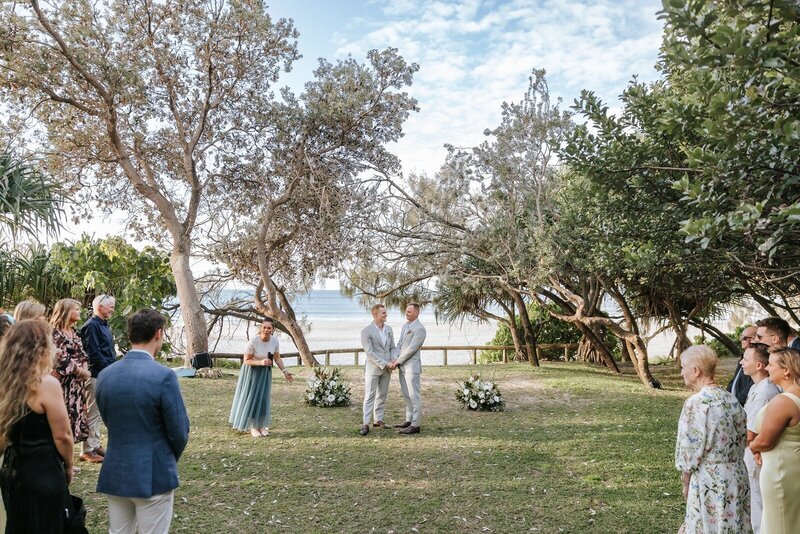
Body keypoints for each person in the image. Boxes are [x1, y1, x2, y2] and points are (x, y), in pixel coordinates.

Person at [95, 308, 190, 533]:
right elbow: (179, 431)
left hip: (116, 469)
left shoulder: (106, 375)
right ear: (158, 333)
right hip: (153, 471)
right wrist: (167, 458)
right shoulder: (164, 376)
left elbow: (108, 418)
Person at [0, 320, 75, 533]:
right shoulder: (45, 384)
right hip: (43, 469)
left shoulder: (4, 382)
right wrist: (68, 466)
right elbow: (63, 436)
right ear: (40, 348)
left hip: (13, 470)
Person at [675, 345, 749, 533]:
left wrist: (686, 482)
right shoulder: (731, 400)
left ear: (695, 370)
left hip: (709, 479)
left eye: (683, 367)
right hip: (737, 476)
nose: (681, 372)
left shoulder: (696, 403)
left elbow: (689, 451)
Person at [749, 348, 800, 533]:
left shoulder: (784, 401)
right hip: (791, 467)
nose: (767, 368)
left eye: (771, 364)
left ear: (786, 370)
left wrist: (753, 447)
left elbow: (765, 442)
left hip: (780, 472)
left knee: (779, 523)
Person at [229, 318, 293, 437]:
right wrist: (260, 362)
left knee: (263, 399)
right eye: (264, 327)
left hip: (265, 373)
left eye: (269, 328)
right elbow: (246, 361)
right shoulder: (254, 341)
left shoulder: (274, 341)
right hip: (252, 373)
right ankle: (253, 427)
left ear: (273, 329)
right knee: (253, 398)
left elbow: (277, 358)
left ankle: (261, 426)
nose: (266, 330)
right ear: (261, 328)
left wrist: (285, 371)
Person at [741, 344, 780, 533]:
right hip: (751, 451)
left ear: (758, 365)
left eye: (746, 359)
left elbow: (751, 432)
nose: (741, 362)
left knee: (758, 504)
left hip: (755, 452)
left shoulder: (765, 391)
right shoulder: (757, 387)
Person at [79, 293, 116, 463]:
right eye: (111, 307)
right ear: (100, 307)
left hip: (104, 373)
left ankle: (95, 444)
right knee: (91, 412)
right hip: (95, 374)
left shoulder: (104, 325)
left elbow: (109, 351)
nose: (112, 310)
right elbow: (93, 353)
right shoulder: (91, 326)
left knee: (98, 412)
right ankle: (87, 449)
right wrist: (109, 370)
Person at [50, 299, 92, 447]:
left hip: (76, 385)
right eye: (76, 309)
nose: (79, 312)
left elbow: (83, 354)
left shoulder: (75, 332)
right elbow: (60, 359)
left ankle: (70, 458)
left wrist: (85, 370)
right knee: (61, 418)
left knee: (74, 419)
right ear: (66, 311)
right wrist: (80, 371)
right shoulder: (54, 333)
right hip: (61, 384)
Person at [359, 304, 397, 436]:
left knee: (382, 395)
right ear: (375, 315)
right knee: (369, 395)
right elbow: (370, 353)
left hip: (387, 369)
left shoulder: (389, 329)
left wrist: (393, 359)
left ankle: (378, 420)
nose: (386, 315)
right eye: (383, 313)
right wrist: (385, 363)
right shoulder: (366, 331)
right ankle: (365, 423)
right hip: (373, 368)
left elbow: (392, 347)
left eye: (386, 313)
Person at [393, 302, 426, 435]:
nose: (406, 313)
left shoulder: (420, 329)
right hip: (402, 366)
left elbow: (411, 349)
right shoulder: (405, 326)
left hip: (412, 367)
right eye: (406, 311)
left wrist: (397, 361)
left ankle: (416, 424)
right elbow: (399, 344)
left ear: (416, 313)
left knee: (414, 396)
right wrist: (395, 357)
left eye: (409, 311)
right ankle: (409, 419)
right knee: (406, 395)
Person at [727, 325, 756, 406]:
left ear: (754, 339)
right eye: (741, 337)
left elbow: (750, 385)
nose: (741, 340)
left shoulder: (756, 360)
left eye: (744, 338)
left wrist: (736, 403)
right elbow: (734, 380)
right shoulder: (742, 358)